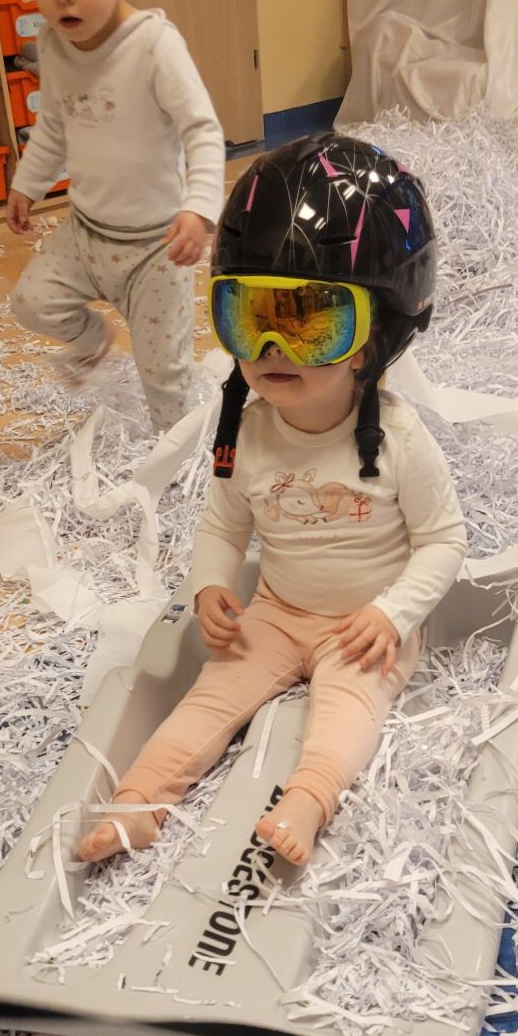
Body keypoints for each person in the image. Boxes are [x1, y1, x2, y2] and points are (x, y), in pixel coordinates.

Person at [78, 133, 468, 868]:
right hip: (279, 612)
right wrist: (209, 587)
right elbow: (224, 523)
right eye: (247, 317)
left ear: (372, 340)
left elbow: (444, 539)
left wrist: (393, 614)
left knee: (349, 711)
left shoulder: (399, 438)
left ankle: (310, 798)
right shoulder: (247, 432)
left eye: (310, 323)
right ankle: (140, 799)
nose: (270, 349)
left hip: (364, 626)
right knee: (210, 697)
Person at [6, 0, 225, 431]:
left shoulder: (153, 44)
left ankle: (174, 458)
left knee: (165, 377)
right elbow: (53, 126)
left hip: (157, 249)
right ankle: (93, 342)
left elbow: (201, 130)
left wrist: (199, 209)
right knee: (30, 301)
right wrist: (26, 184)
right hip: (87, 235)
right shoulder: (52, 46)